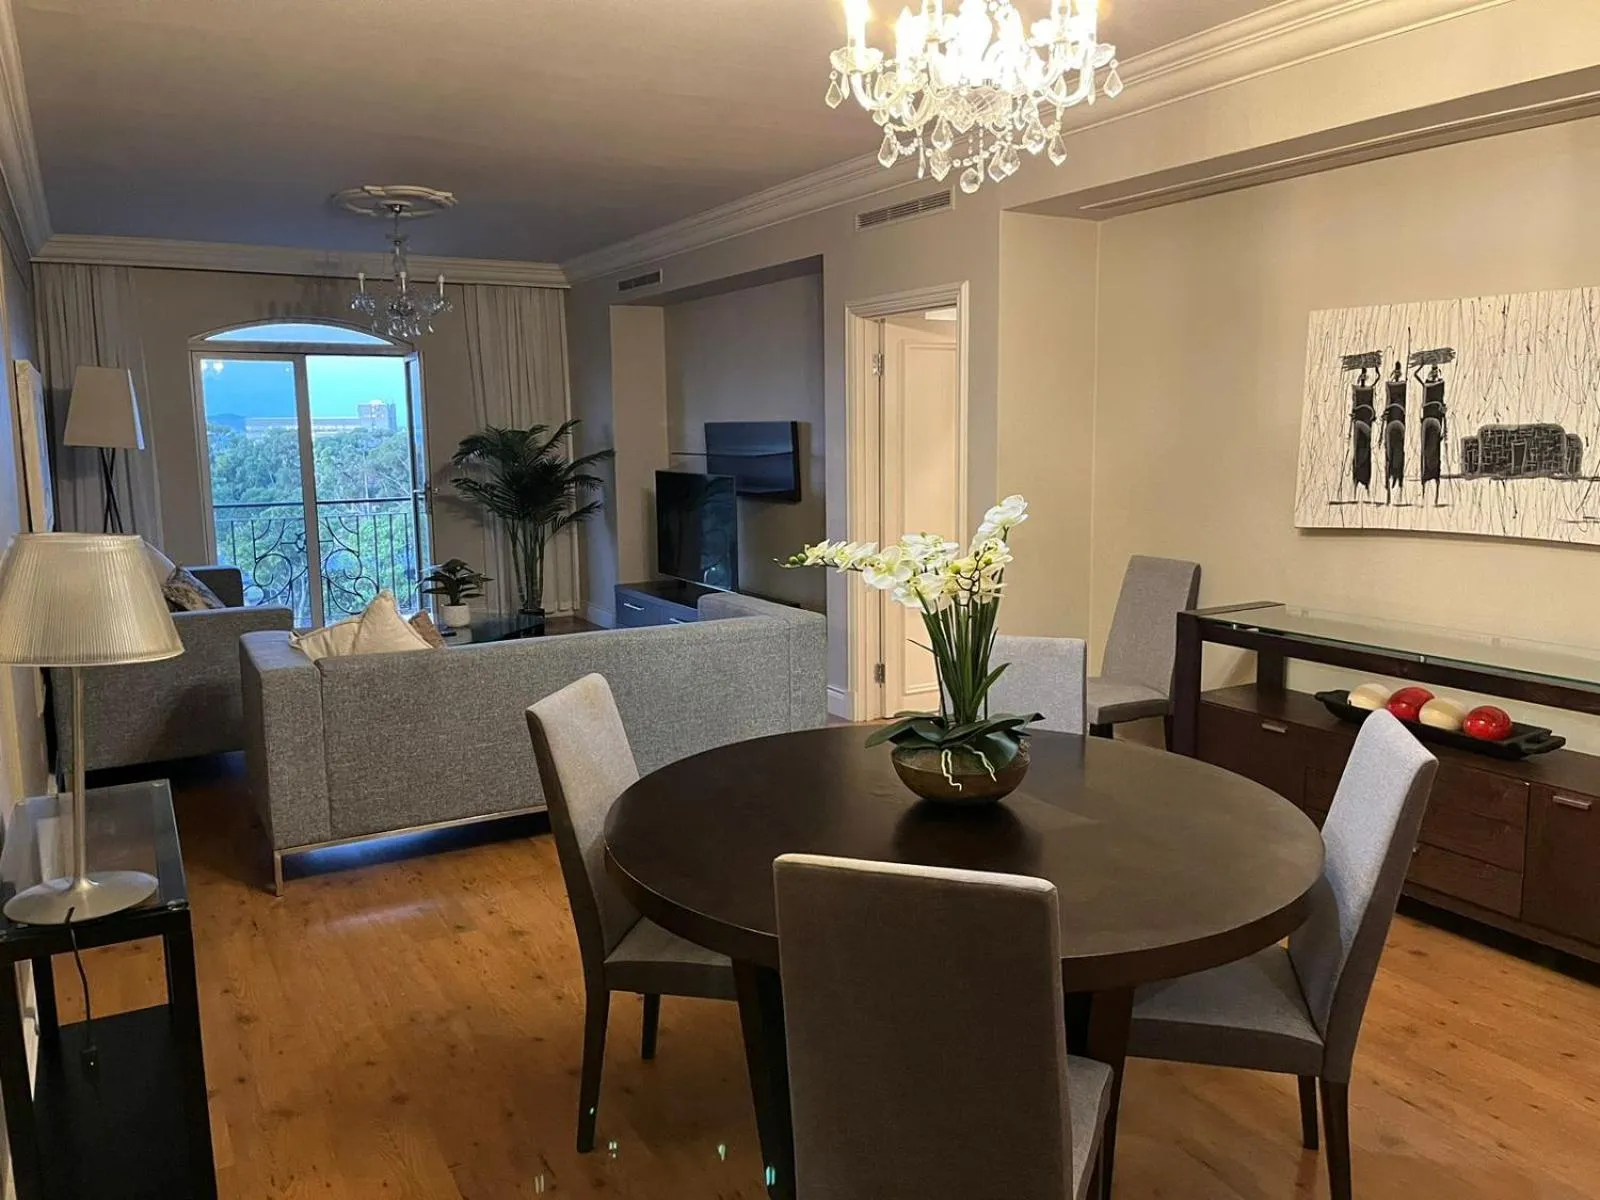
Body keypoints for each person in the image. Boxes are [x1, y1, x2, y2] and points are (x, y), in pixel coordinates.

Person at [1414, 361, 1447, 504]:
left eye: (1436, 371)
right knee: (1425, 450)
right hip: (1427, 418)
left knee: (1435, 451)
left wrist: (1445, 425)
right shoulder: (1426, 384)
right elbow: (1416, 375)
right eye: (1432, 371)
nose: (1434, 374)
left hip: (1436, 419)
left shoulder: (1440, 385)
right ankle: (1424, 486)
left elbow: (1443, 409)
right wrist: (1421, 365)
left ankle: (1435, 488)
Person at [1349, 366, 1376, 494]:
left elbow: (1370, 409)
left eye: (1365, 376)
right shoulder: (1357, 390)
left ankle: (1365, 482)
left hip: (1365, 424)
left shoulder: (1369, 390)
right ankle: (1358, 481)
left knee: (1365, 451)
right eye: (1363, 376)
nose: (1364, 378)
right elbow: (1355, 406)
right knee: (1358, 451)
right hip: (1360, 424)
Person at [1383, 361, 1407, 502]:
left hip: (1400, 422)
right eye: (1395, 372)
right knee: (1389, 452)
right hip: (1391, 421)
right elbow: (1387, 402)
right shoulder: (1389, 386)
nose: (1397, 375)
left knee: (1399, 451)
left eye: (1399, 372)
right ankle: (1390, 478)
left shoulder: (1403, 386)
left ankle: (1398, 478)